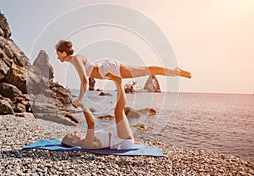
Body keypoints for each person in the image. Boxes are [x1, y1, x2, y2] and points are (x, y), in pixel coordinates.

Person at [56, 40, 191, 149]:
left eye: (58, 54)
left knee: (145, 71)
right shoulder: (75, 60)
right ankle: (174, 72)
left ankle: (174, 72)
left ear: (63, 52)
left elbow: (85, 79)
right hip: (106, 71)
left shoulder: (76, 59)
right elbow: (87, 78)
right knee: (145, 71)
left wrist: (79, 99)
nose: (57, 57)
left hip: (107, 70)